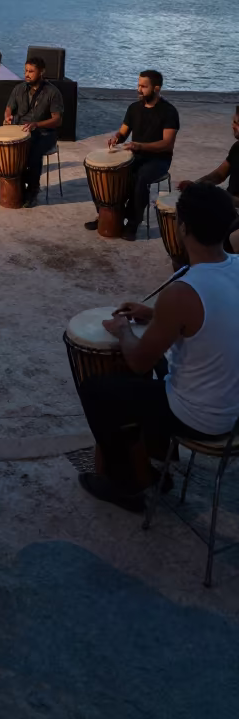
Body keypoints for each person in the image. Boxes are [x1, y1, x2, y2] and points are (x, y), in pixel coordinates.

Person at [77, 183, 239, 512]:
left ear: (183, 228)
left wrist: (123, 329)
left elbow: (137, 360)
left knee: (96, 391)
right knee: (160, 368)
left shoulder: (182, 292)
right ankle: (154, 461)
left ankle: (127, 485)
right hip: (235, 411)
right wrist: (154, 315)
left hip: (203, 419)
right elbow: (213, 316)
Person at [85, 69, 179, 241]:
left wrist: (139, 145)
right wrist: (116, 138)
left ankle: (133, 223)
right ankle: (106, 215)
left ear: (156, 88)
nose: (139, 89)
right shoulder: (134, 108)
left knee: (140, 177)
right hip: (135, 155)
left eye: (144, 86)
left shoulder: (169, 112)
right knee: (103, 172)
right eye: (138, 85)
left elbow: (167, 144)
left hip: (159, 159)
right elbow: (123, 132)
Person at [4, 56, 63, 208]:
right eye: (26, 71)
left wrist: (37, 124)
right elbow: (9, 107)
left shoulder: (52, 92)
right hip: (23, 129)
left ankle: (32, 191)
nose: (27, 74)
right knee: (9, 148)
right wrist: (8, 117)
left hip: (45, 133)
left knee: (33, 152)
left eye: (31, 71)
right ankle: (13, 188)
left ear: (41, 72)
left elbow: (57, 120)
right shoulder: (19, 89)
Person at [177, 104, 239, 250]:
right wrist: (196, 185)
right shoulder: (237, 147)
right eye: (233, 121)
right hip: (230, 208)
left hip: (234, 211)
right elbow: (219, 174)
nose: (232, 126)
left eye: (237, 123)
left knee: (227, 238)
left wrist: (225, 198)